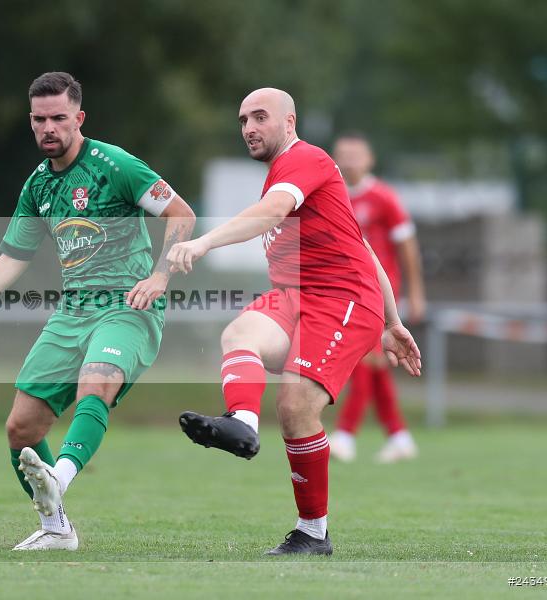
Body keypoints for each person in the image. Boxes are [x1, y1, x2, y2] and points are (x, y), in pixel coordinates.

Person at [0, 72, 195, 551]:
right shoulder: (38, 186)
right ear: (31, 121)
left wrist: (160, 276)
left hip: (127, 305)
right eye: (40, 119)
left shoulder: (116, 165)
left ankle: (59, 480)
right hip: (72, 312)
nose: (49, 127)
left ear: (79, 118)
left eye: (59, 118)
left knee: (98, 379)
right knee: (21, 428)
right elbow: (11, 259)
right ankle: (56, 529)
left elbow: (182, 214)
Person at [165, 88, 421, 556]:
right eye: (243, 120)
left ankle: (312, 533)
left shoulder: (306, 158)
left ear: (290, 122)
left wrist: (202, 243)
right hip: (297, 295)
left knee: (295, 404)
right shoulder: (293, 174)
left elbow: (271, 213)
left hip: (342, 298)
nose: (249, 128)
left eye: (260, 117)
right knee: (239, 333)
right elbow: (364, 248)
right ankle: (241, 422)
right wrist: (395, 320)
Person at [329, 132, 427, 463]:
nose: (350, 159)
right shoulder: (334, 193)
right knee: (376, 367)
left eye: (357, 153)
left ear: (369, 159)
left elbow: (408, 247)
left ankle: (345, 436)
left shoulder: (383, 197)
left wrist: (415, 293)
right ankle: (399, 437)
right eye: (343, 153)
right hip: (346, 292)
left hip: (380, 297)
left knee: (365, 362)